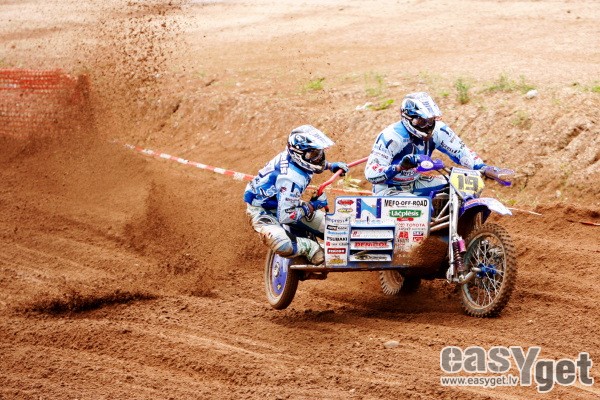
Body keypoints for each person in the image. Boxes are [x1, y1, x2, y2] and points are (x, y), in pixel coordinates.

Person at [244, 125, 348, 265]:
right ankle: (310, 247)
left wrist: (329, 166)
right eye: (313, 154)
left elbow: (311, 162)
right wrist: (312, 206)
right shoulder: (290, 178)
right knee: (281, 244)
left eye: (319, 152)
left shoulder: (294, 158)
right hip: (263, 211)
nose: (318, 157)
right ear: (298, 154)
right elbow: (285, 216)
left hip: (287, 203)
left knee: (337, 230)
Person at [365, 91, 503, 196]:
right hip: (388, 189)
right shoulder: (392, 136)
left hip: (415, 183)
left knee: (467, 185)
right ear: (408, 118)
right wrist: (399, 167)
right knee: (419, 206)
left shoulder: (439, 130)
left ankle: (458, 223)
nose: (427, 126)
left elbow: (461, 151)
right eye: (422, 121)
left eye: (430, 120)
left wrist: (483, 167)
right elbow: (371, 173)